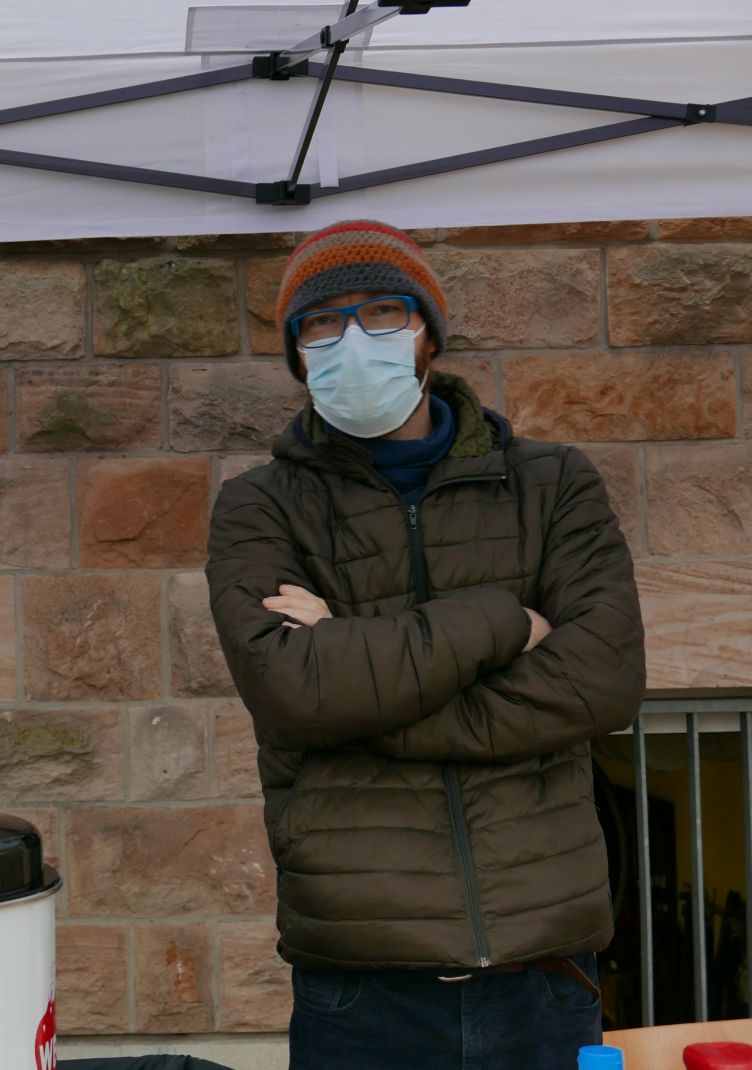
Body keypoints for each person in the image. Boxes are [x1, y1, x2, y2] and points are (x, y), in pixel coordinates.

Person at [205, 220, 645, 1069]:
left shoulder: (553, 483)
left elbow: (603, 679)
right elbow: (295, 693)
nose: (353, 339)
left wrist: (357, 683)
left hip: (542, 970)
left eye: (382, 312)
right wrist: (504, 621)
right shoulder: (261, 506)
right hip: (362, 983)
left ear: (429, 335)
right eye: (322, 322)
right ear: (297, 354)